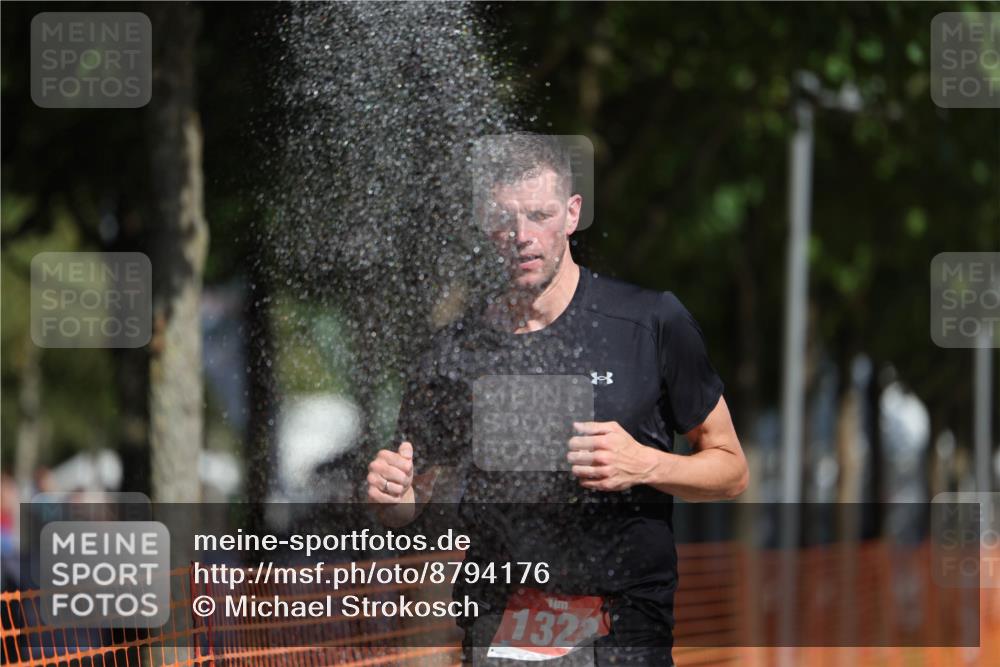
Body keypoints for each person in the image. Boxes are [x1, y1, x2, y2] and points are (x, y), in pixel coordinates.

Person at [366, 133, 748, 666]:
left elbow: (731, 470)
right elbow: (411, 500)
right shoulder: (453, 352)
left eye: (540, 215)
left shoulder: (650, 322)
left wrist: (645, 464)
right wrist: (391, 497)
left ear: (572, 214)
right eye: (505, 219)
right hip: (499, 627)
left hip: (622, 634)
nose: (522, 236)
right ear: (485, 222)